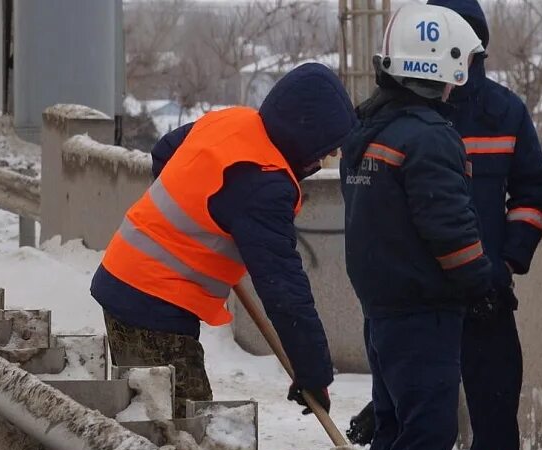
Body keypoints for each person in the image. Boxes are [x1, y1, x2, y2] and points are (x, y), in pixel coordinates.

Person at [90, 63, 354, 419]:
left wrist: (201, 213)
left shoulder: (233, 122)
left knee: (148, 426)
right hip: (153, 309)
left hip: (123, 279)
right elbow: (284, 290)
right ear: (305, 134)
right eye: (326, 150)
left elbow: (164, 153)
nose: (325, 161)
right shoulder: (264, 184)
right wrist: (314, 371)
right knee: (189, 436)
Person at [339, 4, 494, 450]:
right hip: (423, 312)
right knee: (428, 429)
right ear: (443, 66)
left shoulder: (367, 133)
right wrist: (481, 283)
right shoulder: (429, 137)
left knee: (395, 424)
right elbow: (449, 229)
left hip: (383, 310)